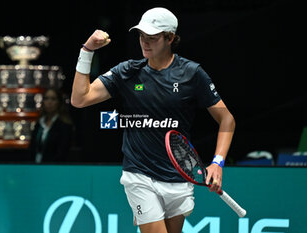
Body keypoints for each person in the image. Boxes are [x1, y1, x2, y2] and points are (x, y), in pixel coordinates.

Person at [71, 7, 235, 233]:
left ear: (170, 38)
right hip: (140, 176)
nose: (144, 42)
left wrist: (218, 162)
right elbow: (80, 99)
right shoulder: (127, 72)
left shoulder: (192, 73)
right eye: (141, 36)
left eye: (152, 38)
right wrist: (87, 50)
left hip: (178, 177)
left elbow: (226, 119)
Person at [29, 88, 74, 163]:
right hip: (35, 167)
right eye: (46, 98)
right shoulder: (39, 123)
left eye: (53, 99)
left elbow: (63, 152)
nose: (49, 102)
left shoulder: (64, 125)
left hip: (55, 168)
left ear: (59, 102)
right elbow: (32, 148)